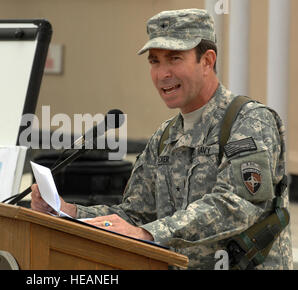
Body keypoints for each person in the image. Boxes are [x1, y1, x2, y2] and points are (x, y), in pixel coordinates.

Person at [31, 8, 292, 269]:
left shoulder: (249, 122)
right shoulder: (165, 137)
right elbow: (134, 216)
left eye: (174, 58)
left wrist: (150, 233)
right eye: (154, 61)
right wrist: (68, 212)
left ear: (207, 61)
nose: (162, 73)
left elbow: (234, 207)